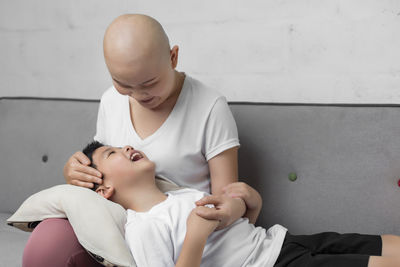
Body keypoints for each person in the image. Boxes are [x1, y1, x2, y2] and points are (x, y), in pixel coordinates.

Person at [23, 14, 256, 266]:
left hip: (179, 239)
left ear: (173, 57)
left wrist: (242, 206)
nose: (137, 95)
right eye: (122, 84)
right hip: (122, 231)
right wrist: (77, 174)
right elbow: (102, 169)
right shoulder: (111, 101)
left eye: (149, 83)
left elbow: (225, 201)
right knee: (47, 242)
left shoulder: (209, 107)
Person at [82, 141, 400, 267]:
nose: (125, 146)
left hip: (278, 242)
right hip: (270, 266)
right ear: (105, 189)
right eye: (111, 154)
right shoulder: (142, 227)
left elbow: (236, 235)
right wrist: (195, 234)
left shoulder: (180, 195)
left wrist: (250, 205)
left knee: (370, 244)